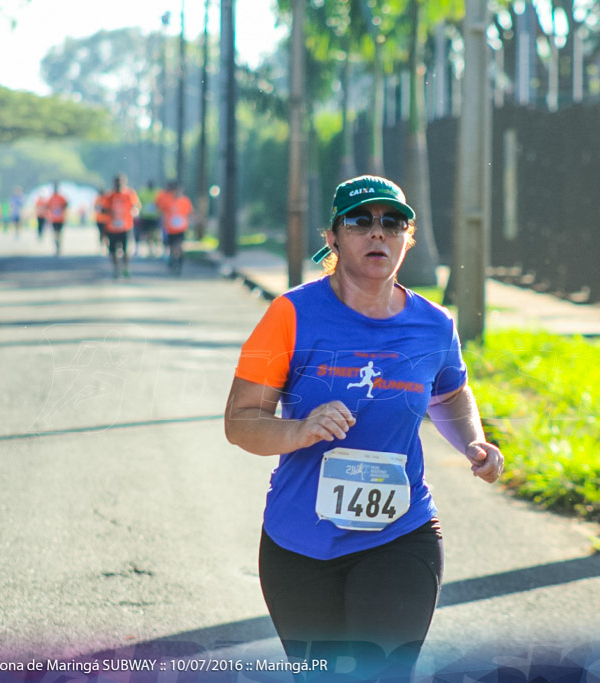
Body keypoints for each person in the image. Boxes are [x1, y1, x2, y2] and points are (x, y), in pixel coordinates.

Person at [224, 175, 504, 680]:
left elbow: (449, 392)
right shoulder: (289, 315)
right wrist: (299, 430)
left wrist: (474, 442)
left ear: (406, 238)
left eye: (392, 223)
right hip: (298, 543)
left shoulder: (434, 325)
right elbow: (240, 421)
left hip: (400, 535)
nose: (378, 233)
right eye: (360, 221)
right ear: (332, 237)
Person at [103, 174, 140, 279]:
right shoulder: (109, 196)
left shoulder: (129, 194)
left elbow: (136, 205)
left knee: (126, 250)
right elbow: (103, 209)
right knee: (113, 251)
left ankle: (126, 267)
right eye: (117, 182)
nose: (119, 184)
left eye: (121, 182)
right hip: (112, 227)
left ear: (125, 182)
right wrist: (111, 211)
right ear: (113, 183)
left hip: (126, 227)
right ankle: (116, 269)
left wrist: (134, 210)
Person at [160, 181, 192, 274]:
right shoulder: (168, 200)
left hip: (181, 228)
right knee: (173, 247)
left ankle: (179, 263)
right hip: (170, 229)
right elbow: (163, 212)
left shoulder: (185, 201)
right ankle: (173, 261)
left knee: (179, 247)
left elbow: (190, 212)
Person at [46, 181, 69, 256]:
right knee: (58, 232)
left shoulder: (53, 197)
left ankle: (57, 243)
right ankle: (57, 243)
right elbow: (66, 205)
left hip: (56, 218)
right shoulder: (59, 197)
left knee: (56, 232)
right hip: (58, 218)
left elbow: (48, 206)